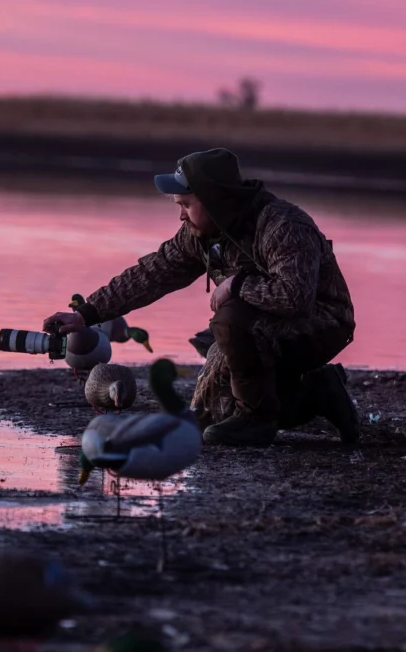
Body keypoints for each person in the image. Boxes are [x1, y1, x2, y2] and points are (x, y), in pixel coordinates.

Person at [43, 148, 358, 448]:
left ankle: (257, 420)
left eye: (185, 204)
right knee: (210, 420)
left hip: (323, 321)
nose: (181, 215)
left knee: (232, 321)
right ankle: (319, 393)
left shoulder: (283, 226)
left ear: (214, 200)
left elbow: (294, 298)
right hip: (260, 324)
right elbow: (151, 274)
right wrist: (86, 314)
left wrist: (237, 284)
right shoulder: (201, 233)